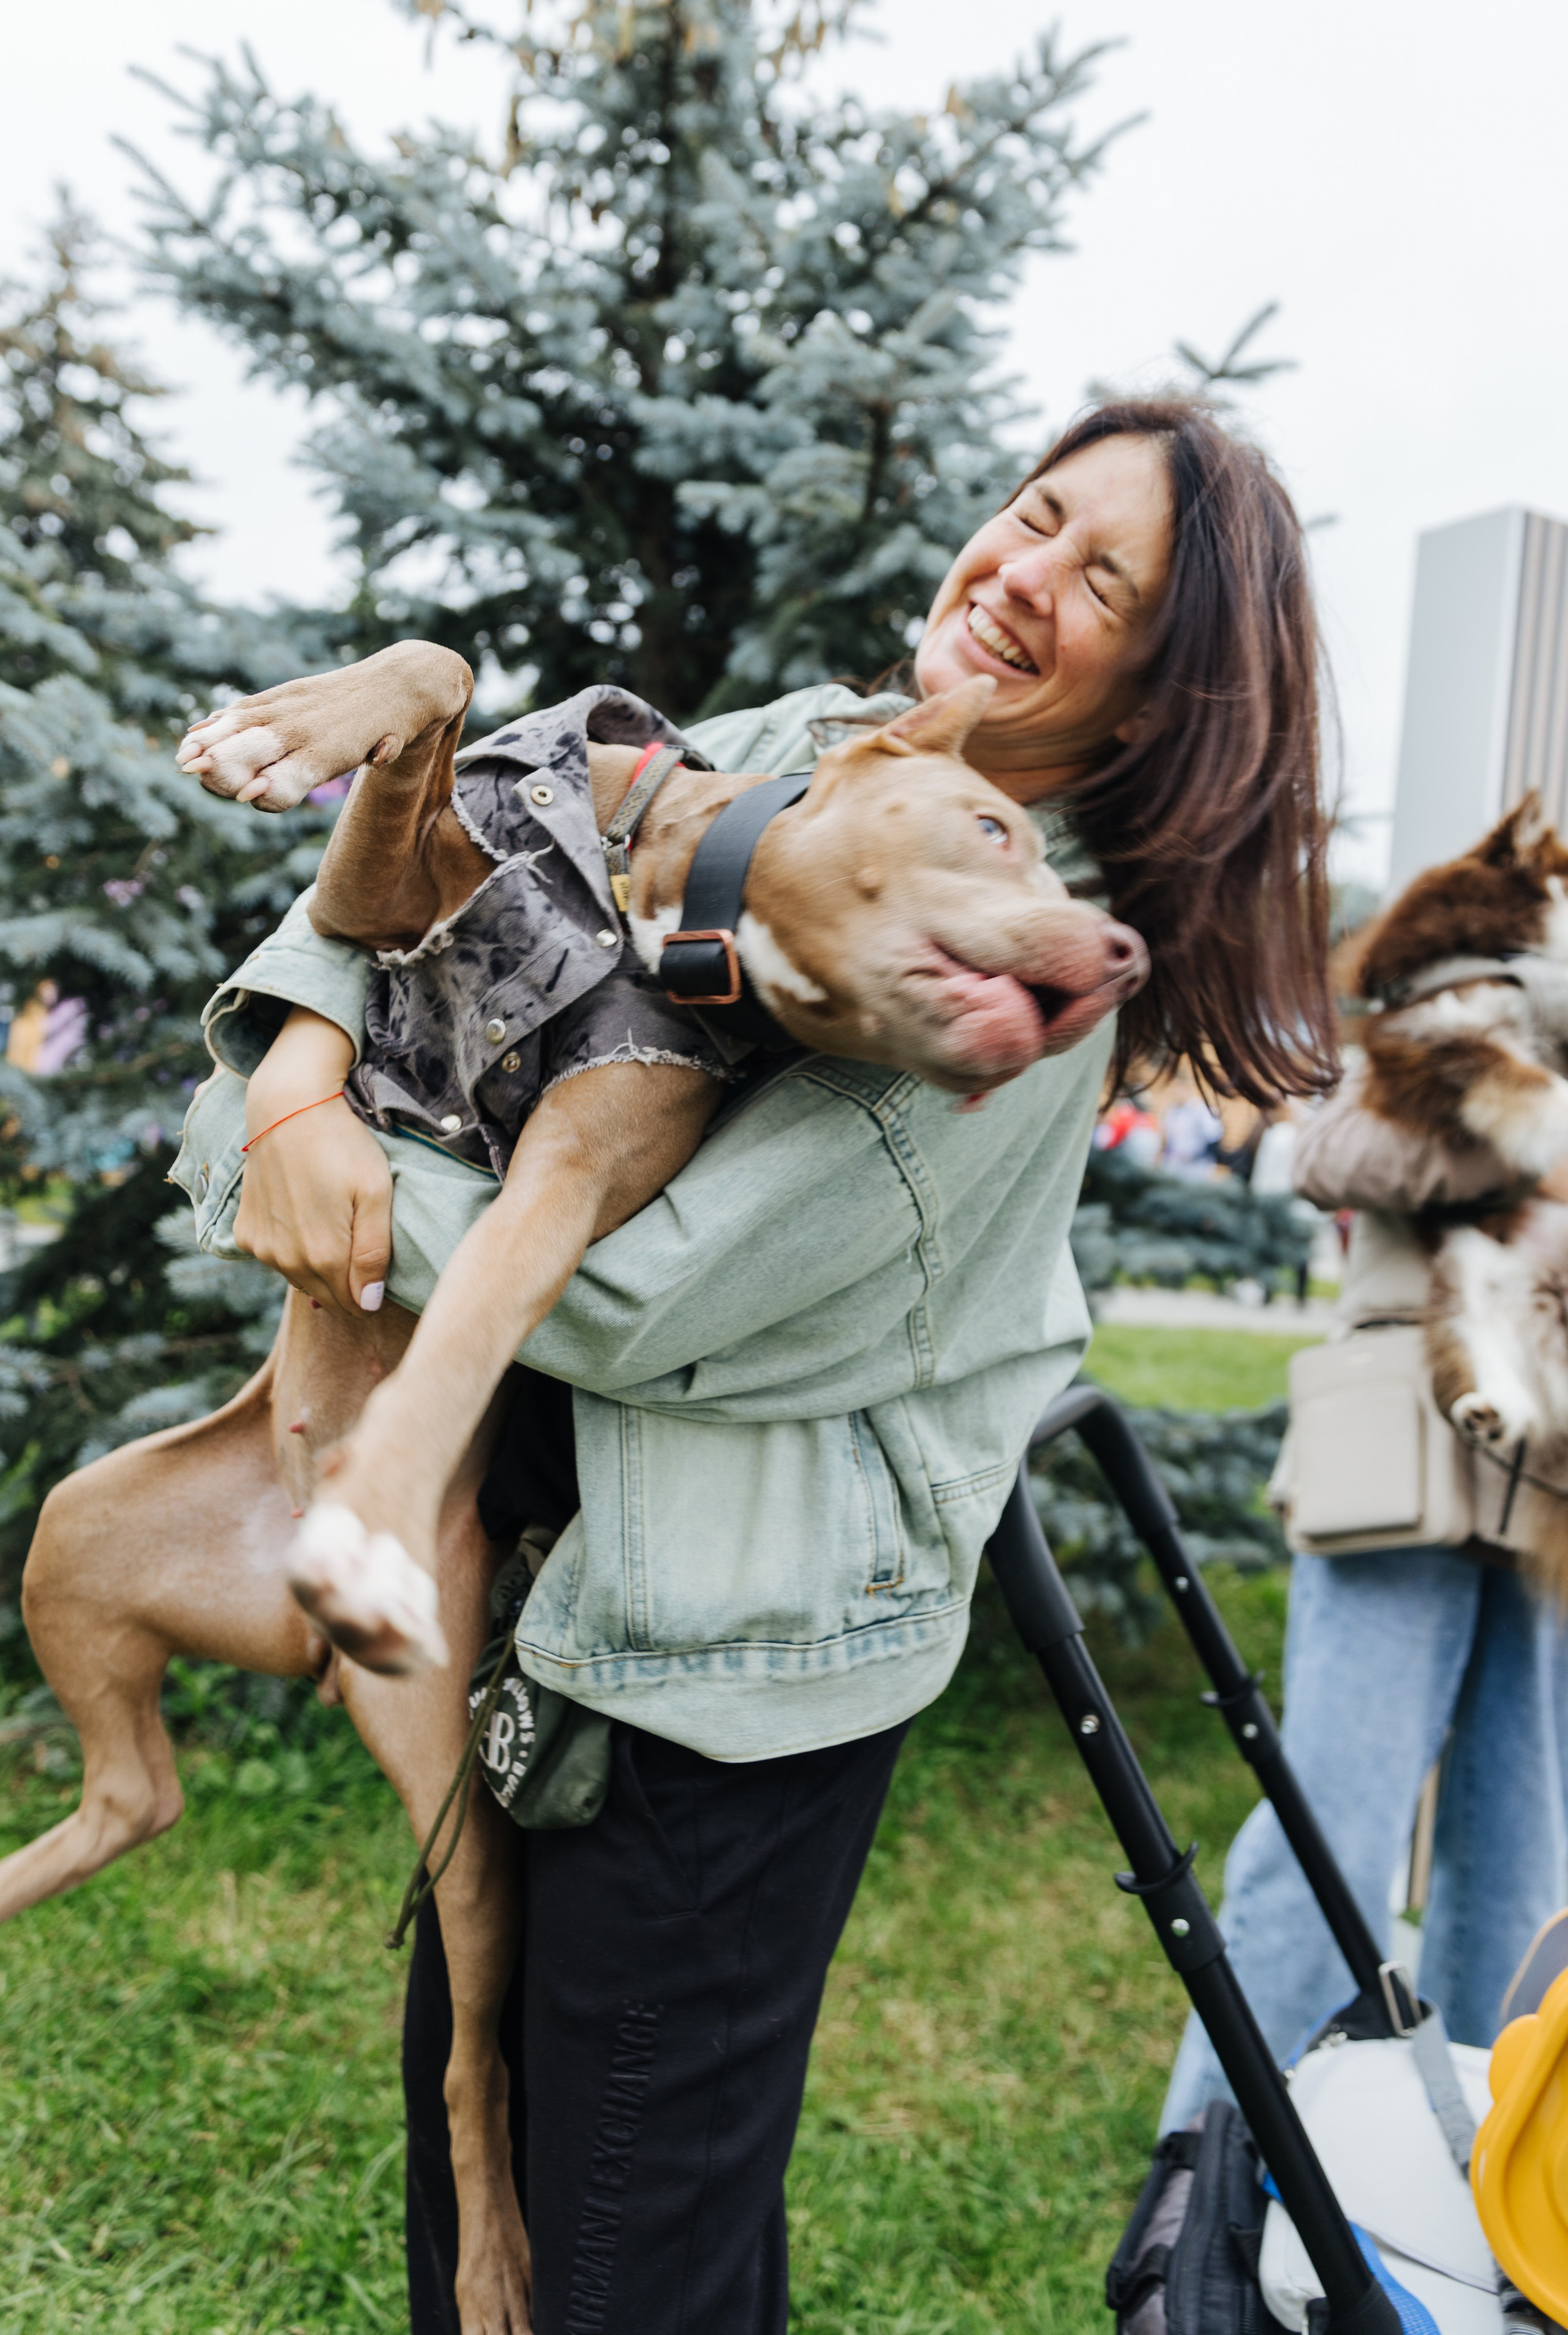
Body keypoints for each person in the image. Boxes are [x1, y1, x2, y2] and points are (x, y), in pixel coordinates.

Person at [183, 396, 1334, 2333]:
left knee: (635, 2246)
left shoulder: (1015, 962)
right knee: (478, 2176)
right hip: (533, 1595)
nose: (1024, 573)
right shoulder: (809, 746)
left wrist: (298, 1156)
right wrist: (295, 1063)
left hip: (726, 1683)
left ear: (1159, 699)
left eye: (1104, 576)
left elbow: (643, 1302)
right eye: (1035, 516)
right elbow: (465, 856)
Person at [1161, 1070, 1568, 2132]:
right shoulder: (1478, 974)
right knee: (1329, 1837)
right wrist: (1540, 1135)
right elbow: (1335, 1155)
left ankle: (1483, 2172)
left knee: (1527, 1856)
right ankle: (1206, 2171)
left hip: (1557, 1469)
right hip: (1410, 1449)